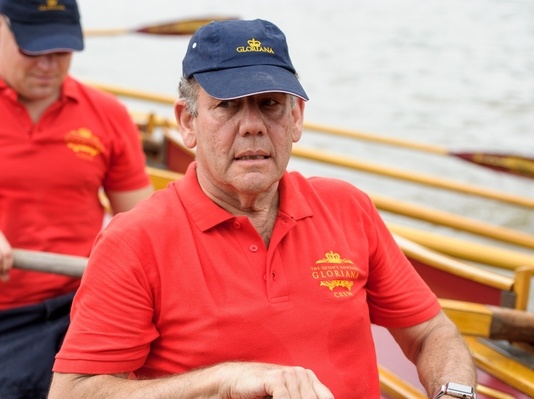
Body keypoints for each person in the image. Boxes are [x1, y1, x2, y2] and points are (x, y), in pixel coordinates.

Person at [48, 19, 477, 399]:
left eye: (269, 104)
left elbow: (431, 333)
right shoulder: (133, 241)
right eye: (228, 106)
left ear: (296, 120)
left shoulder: (348, 208)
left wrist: (454, 393)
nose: (252, 124)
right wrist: (223, 381)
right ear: (186, 123)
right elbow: (74, 393)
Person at [0, 0, 154, 397]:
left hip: (85, 306)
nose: (49, 65)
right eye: (34, 50)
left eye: (62, 51)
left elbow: (143, 227)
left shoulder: (106, 114)